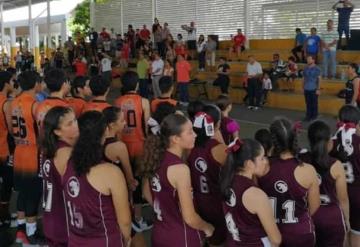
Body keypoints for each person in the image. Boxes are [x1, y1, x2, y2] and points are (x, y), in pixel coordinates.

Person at [140, 113, 214, 246]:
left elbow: (146, 192)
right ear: (175, 139)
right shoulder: (180, 169)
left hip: (159, 233)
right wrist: (207, 227)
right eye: (190, 132)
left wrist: (165, 209)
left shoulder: (155, 156)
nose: (195, 135)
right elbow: (190, 217)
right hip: (181, 237)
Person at [63, 111, 131, 246]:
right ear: (106, 130)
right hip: (103, 241)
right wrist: (126, 239)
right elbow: (125, 221)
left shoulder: (68, 163)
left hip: (75, 239)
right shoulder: (111, 172)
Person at [258, 118, 320, 247]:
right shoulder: (307, 170)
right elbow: (314, 208)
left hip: (270, 231)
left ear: (273, 140)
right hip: (300, 233)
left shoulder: (261, 168)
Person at [221, 138, 282, 246]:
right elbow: (276, 239)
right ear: (249, 163)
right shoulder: (255, 195)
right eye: (262, 158)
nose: (266, 161)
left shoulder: (226, 180)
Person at [300, 120, 349, 247]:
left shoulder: (301, 160)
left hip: (308, 214)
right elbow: (343, 199)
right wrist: (347, 219)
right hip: (331, 217)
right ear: (329, 142)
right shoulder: (335, 165)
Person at [114, 71, 152, 233]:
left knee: (125, 180)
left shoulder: (117, 101)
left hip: (122, 145)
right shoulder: (143, 101)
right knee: (137, 180)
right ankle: (137, 218)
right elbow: (147, 125)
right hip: (139, 144)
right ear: (137, 84)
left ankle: (126, 214)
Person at [11, 71, 45, 244]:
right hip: (33, 153)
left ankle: (20, 230)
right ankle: (31, 235)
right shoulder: (34, 105)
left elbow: (11, 129)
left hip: (19, 152)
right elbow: (42, 132)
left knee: (23, 193)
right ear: (36, 84)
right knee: (33, 194)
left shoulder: (13, 103)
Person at [188, 105, 228, 246]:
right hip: (216, 202)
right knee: (218, 239)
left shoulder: (188, 146)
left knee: (203, 236)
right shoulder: (220, 149)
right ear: (216, 125)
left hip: (196, 200)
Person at [41, 106, 79, 246]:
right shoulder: (66, 154)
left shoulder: (48, 149)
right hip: (64, 221)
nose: (76, 125)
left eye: (75, 120)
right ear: (57, 131)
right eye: (69, 123)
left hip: (50, 217)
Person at [330, 105, 360, 247]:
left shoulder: (332, 141)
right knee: (356, 234)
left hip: (338, 194)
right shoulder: (358, 141)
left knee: (342, 232)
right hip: (357, 194)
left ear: (339, 120)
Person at [102, 106, 138, 192]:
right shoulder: (119, 147)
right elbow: (129, 177)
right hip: (117, 189)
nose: (125, 123)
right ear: (112, 125)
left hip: (102, 186)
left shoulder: (97, 142)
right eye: (122, 120)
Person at [0, 71, 14, 229]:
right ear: (5, 84)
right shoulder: (6, 103)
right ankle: (4, 216)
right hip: (4, 149)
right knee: (7, 183)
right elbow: (11, 129)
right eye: (11, 80)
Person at [303, 55, 321, 121]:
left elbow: (319, 79)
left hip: (314, 89)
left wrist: (318, 89)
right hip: (306, 88)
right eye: (307, 59)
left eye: (309, 59)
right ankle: (308, 115)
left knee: (314, 103)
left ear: (313, 60)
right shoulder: (305, 68)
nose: (308, 60)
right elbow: (304, 79)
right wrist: (303, 88)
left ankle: (314, 116)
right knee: (308, 103)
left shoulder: (317, 69)